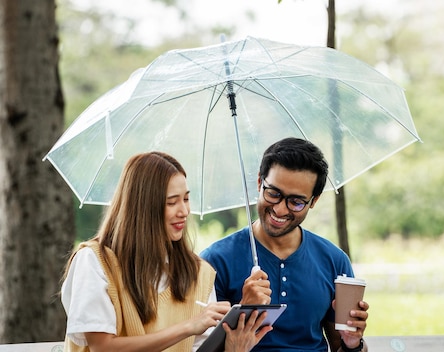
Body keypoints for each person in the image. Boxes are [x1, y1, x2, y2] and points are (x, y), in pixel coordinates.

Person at [61, 151, 272, 352]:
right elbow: (102, 347)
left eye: (186, 199)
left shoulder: (199, 273)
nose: (184, 211)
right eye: (172, 202)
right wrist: (188, 327)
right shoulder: (94, 261)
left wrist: (239, 327)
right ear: (143, 208)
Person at [200, 138, 369, 352]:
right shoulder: (214, 262)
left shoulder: (334, 261)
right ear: (260, 183)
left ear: (314, 201)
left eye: (296, 202)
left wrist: (353, 343)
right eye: (273, 194)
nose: (280, 210)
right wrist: (243, 310)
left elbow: (343, 347)